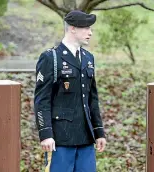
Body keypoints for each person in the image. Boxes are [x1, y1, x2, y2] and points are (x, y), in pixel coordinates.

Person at [34, 10, 106, 172]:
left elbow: (92, 99)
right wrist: (45, 134)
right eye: (86, 28)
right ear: (72, 28)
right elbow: (41, 100)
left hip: (86, 137)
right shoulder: (50, 58)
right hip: (60, 138)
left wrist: (98, 131)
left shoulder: (88, 58)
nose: (90, 32)